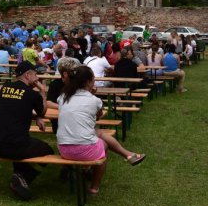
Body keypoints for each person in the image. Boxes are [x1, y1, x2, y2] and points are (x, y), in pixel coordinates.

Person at [56, 65, 145, 195]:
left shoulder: (62, 97)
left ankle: (128, 154)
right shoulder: (94, 100)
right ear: (88, 82)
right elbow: (98, 116)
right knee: (103, 145)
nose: (95, 81)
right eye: (93, 79)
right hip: (84, 150)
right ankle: (94, 187)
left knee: (99, 133)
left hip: (64, 149)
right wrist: (93, 95)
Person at [0, 61, 53, 201]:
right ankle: (24, 176)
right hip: (15, 146)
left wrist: (34, 117)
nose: (37, 78)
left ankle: (19, 174)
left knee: (22, 145)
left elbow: (16, 108)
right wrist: (42, 91)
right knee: (48, 151)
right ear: (28, 75)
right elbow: (43, 111)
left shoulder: (4, 88)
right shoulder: (32, 94)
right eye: (35, 74)